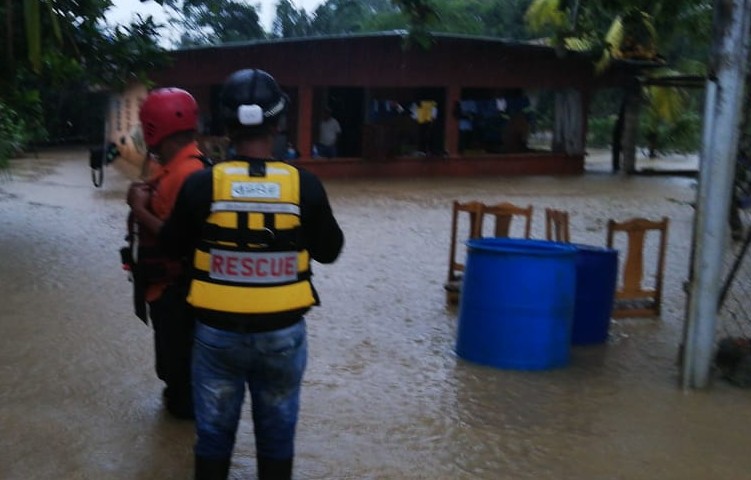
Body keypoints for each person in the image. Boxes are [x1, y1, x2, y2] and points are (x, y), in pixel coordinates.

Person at [131, 68, 344, 479]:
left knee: (212, 441)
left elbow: (174, 247)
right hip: (282, 337)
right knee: (277, 440)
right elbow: (330, 252)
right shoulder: (306, 186)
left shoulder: (200, 186)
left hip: (216, 338)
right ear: (279, 122)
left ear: (225, 126)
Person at [125, 88, 208, 420]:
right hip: (168, 291)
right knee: (174, 373)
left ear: (153, 127)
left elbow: (178, 239)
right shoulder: (175, 167)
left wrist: (138, 209)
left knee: (180, 381)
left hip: (179, 295)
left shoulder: (188, 174)